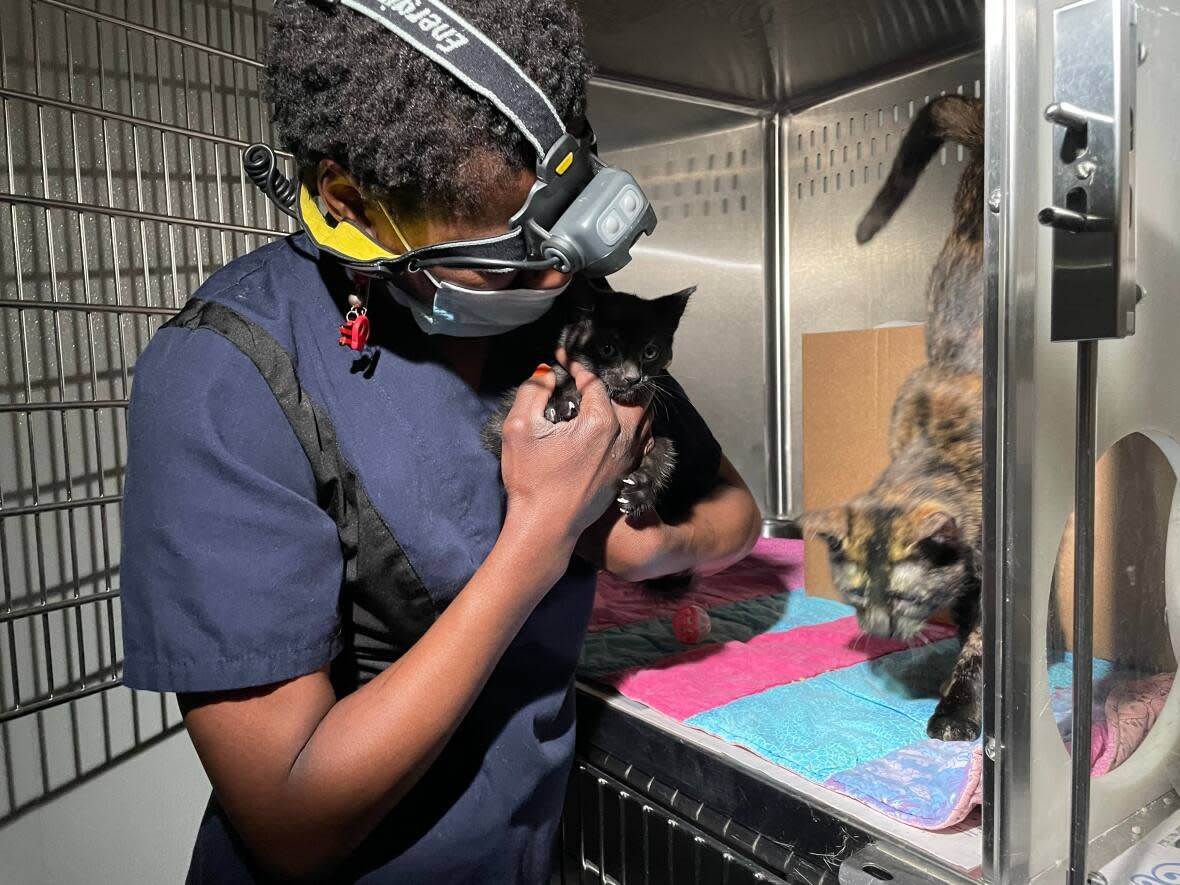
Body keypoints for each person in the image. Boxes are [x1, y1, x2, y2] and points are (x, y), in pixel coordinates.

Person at [118, 0, 762, 881]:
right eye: (504, 260)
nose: (551, 279)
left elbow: (736, 507)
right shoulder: (226, 375)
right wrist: (540, 533)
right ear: (353, 202)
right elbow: (290, 819)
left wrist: (654, 547)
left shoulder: (571, 318)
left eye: (560, 241)